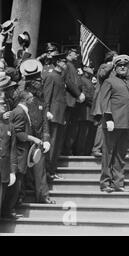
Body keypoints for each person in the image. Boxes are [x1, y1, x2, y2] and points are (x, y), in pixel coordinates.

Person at [98, 55, 129, 193]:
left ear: (128, 67)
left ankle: (118, 183)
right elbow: (104, 101)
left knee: (121, 155)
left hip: (127, 124)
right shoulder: (109, 81)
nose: (122, 67)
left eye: (125, 65)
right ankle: (105, 183)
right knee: (108, 154)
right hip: (113, 123)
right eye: (119, 66)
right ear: (115, 67)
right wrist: (108, 117)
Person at [2, 91, 44, 219]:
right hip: (19, 153)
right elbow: (19, 133)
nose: (32, 101)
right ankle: (8, 210)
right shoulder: (20, 112)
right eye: (31, 99)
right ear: (26, 100)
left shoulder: (19, 110)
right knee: (16, 184)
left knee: (17, 184)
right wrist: (33, 138)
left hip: (19, 153)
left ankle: (9, 209)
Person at [19, 59, 54, 204]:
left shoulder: (41, 97)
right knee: (21, 171)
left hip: (38, 140)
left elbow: (45, 120)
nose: (40, 83)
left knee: (40, 169)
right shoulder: (21, 97)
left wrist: (46, 138)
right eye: (38, 81)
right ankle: (19, 198)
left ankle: (43, 196)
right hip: (23, 139)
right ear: (31, 82)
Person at [43, 52, 68, 180]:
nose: (66, 64)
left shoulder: (60, 76)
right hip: (52, 115)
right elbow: (46, 95)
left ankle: (51, 170)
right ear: (58, 63)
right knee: (51, 144)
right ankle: (48, 172)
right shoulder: (51, 76)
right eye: (64, 62)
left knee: (56, 145)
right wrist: (47, 110)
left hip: (59, 115)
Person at [90, 50, 118, 158]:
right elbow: (101, 75)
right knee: (103, 124)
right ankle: (96, 148)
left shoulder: (115, 69)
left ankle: (108, 149)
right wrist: (110, 65)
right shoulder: (104, 66)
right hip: (103, 100)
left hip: (113, 100)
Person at [0, 77, 17, 218]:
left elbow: (12, 150)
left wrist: (12, 171)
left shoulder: (9, 126)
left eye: (4, 105)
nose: (4, 107)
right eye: (1, 105)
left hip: (4, 169)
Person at [63, 48, 85, 155]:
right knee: (66, 127)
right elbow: (68, 81)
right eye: (75, 53)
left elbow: (77, 82)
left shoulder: (73, 66)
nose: (77, 55)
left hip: (73, 101)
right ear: (69, 54)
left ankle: (67, 149)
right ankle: (64, 150)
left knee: (71, 128)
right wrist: (78, 94)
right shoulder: (66, 65)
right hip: (68, 100)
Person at [75, 65, 96, 156]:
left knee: (87, 133)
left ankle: (84, 151)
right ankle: (80, 151)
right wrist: (93, 102)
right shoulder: (82, 80)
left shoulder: (89, 81)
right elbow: (85, 95)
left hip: (89, 111)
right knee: (83, 133)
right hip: (85, 110)